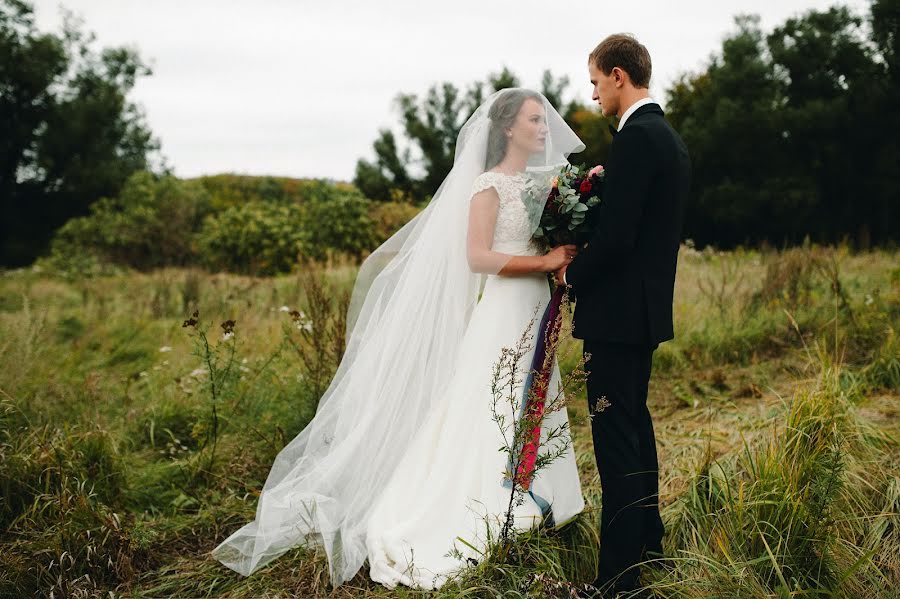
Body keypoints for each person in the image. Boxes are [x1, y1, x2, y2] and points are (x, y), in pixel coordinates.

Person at [211, 88, 587, 591]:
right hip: (502, 311)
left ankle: (542, 504)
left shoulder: (541, 185)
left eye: (544, 120)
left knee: (534, 398)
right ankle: (485, 507)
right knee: (491, 404)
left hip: (535, 307)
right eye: (535, 120)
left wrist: (561, 259)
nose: (545, 129)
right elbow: (477, 256)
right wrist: (543, 261)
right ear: (507, 129)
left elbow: (542, 242)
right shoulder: (488, 186)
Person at [555, 34, 691, 597]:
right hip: (644, 312)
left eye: (593, 81)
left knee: (616, 443)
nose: (592, 95)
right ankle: (648, 546)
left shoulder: (636, 139)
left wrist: (569, 276)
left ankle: (616, 582)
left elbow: (615, 241)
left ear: (617, 75)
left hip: (616, 316)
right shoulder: (669, 139)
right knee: (636, 431)